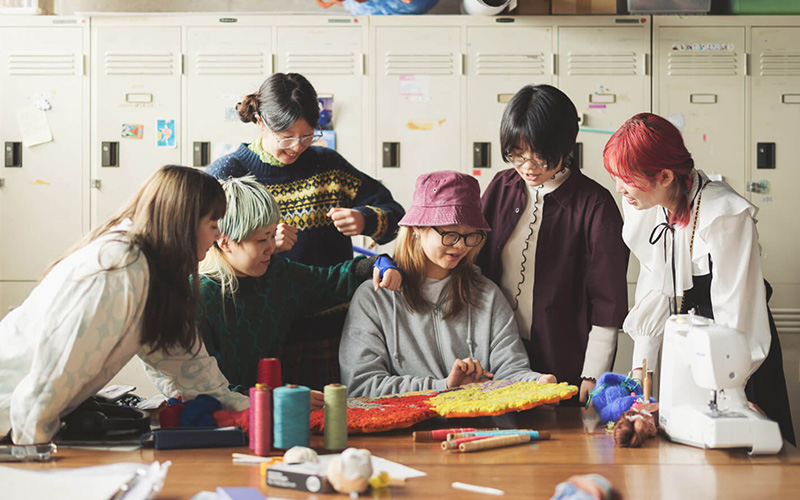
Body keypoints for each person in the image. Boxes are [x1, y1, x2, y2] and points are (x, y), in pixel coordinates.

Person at [0, 165, 248, 445]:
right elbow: (52, 375)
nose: (217, 236)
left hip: (23, 419)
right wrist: (36, 454)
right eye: (213, 225)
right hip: (13, 416)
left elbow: (190, 365)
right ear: (185, 222)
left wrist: (251, 409)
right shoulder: (119, 270)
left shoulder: (154, 272)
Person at [603, 112, 794, 445]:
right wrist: (640, 374)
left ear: (664, 176)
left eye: (626, 178)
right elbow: (653, 290)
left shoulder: (724, 215)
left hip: (738, 348)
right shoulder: (644, 204)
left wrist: (733, 392)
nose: (619, 188)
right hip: (689, 341)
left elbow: (739, 314)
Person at [206, 72, 405, 389]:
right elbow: (206, 246)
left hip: (331, 324)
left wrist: (364, 219)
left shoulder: (327, 165)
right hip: (261, 328)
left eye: (308, 136)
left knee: (331, 420)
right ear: (260, 122)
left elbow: (394, 214)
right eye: (285, 137)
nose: (297, 147)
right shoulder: (228, 173)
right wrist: (268, 246)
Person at [340, 170, 557, 398]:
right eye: (450, 234)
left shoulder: (487, 295)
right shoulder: (375, 296)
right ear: (417, 229)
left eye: (471, 235)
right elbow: (361, 386)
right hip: (401, 432)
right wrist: (443, 387)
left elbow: (510, 370)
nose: (462, 246)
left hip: (479, 430)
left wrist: (536, 383)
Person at [476, 85, 629, 405]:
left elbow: (608, 302)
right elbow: (475, 267)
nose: (527, 167)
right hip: (496, 357)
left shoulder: (595, 206)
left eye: (539, 156)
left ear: (565, 145)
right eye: (516, 155)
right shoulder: (501, 188)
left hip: (564, 362)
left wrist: (593, 375)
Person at [192, 176, 401, 407]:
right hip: (220, 420)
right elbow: (204, 388)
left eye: (273, 235)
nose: (272, 247)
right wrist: (276, 399)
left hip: (271, 413)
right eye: (262, 239)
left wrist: (378, 263)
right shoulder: (200, 297)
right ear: (225, 242)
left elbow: (331, 281)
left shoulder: (277, 275)